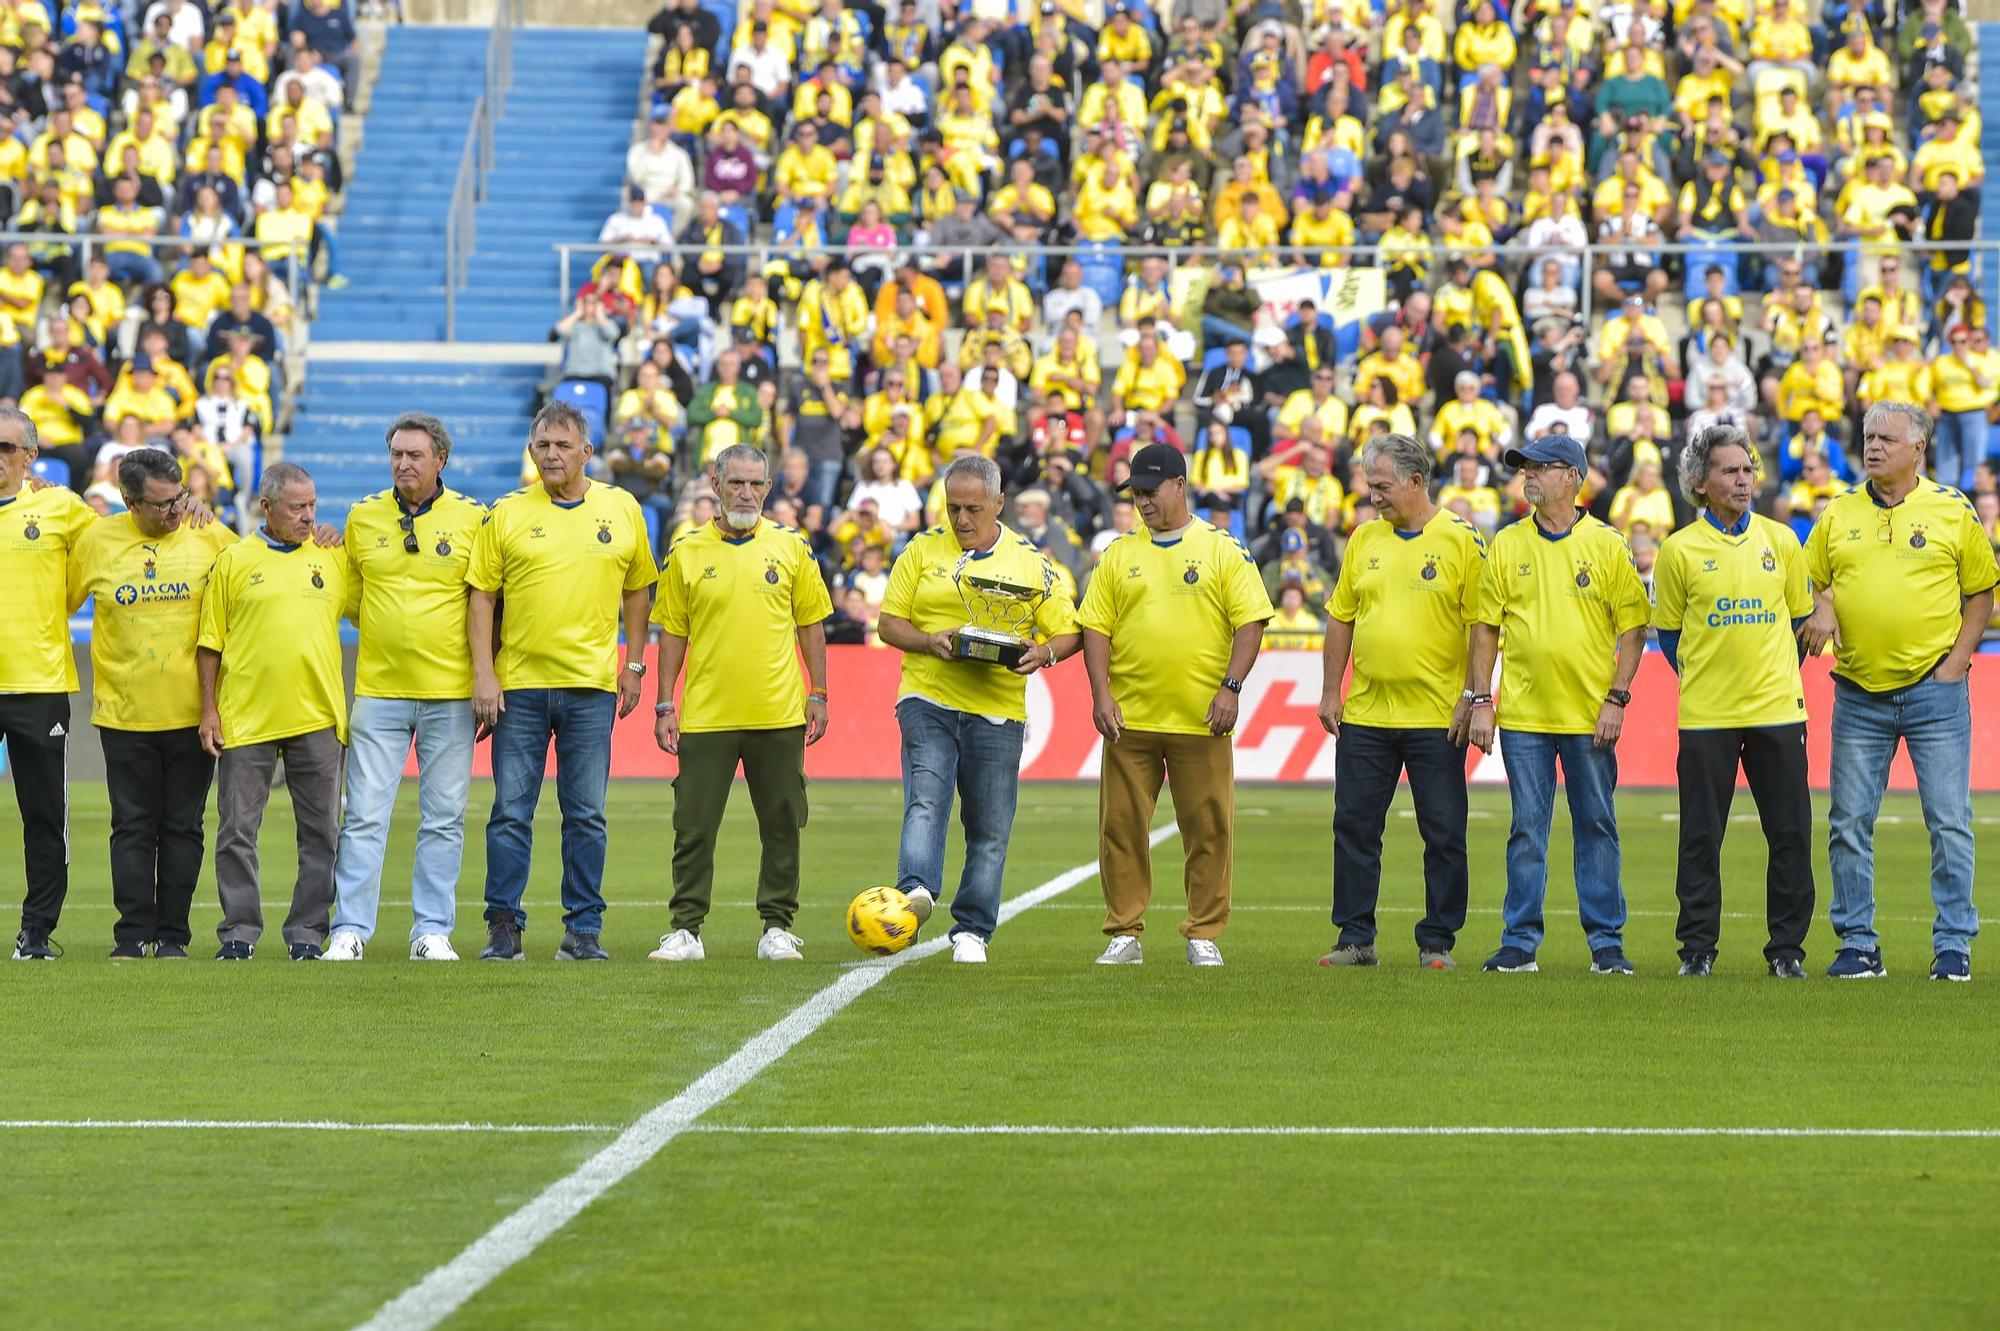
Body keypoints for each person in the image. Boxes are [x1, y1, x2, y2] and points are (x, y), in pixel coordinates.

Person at [1801, 402, 1996, 981]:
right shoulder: (1837, 513)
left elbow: (1981, 592)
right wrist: (1825, 605)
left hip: (1935, 689)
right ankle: (1858, 943)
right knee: (1847, 823)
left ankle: (1954, 944)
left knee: (1949, 820)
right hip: (1858, 690)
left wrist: (1958, 662)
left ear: (1919, 449)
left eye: (1886, 437)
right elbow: (1812, 583)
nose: (1873, 446)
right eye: (1868, 436)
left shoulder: (1952, 510)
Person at [467, 402, 657, 962]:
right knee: (509, 813)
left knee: (587, 815)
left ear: (586, 452)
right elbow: (482, 596)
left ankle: (583, 930)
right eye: (542, 446)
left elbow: (638, 591)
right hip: (520, 687)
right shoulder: (505, 512)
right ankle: (504, 927)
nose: (552, 454)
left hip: (592, 686)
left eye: (563, 445)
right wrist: (484, 672)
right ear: (531, 452)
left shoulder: (622, 509)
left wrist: (635, 664)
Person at [874, 454, 1080, 963]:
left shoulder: (1032, 563)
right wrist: (927, 640)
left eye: (973, 508)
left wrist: (1045, 652)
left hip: (997, 708)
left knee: (989, 826)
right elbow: (888, 624)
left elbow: (1071, 630)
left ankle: (972, 930)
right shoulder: (920, 551)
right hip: (928, 696)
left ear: (999, 504)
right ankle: (917, 890)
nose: (962, 519)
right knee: (926, 796)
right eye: (953, 508)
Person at [1080, 443, 1273, 967]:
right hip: (1130, 719)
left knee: (1209, 827)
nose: (1141, 502)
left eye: (1150, 491)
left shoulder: (1221, 549)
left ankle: (1203, 932)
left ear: (1180, 485)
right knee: (1119, 826)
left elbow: (1250, 621)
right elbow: (1094, 625)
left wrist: (1231, 688)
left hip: (1201, 720)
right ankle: (1124, 932)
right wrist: (1101, 694)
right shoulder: (1120, 553)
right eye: (1135, 493)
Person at [1466, 435, 1651, 976]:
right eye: (1524, 469)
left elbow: (1634, 629)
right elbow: (1485, 630)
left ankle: (1606, 944)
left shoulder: (1607, 544)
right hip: (1523, 715)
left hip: (1589, 714)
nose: (1528, 477)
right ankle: (1519, 942)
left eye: (1540, 468)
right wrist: (1482, 700)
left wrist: (1617, 698)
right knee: (1527, 827)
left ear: (1572, 476)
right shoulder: (1506, 543)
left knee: (1596, 824)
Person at [647, 445, 832, 964]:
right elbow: (673, 635)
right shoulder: (686, 551)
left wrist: (818, 692)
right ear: (715, 483)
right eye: (736, 483)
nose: (746, 493)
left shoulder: (793, 548)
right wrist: (665, 705)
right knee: (694, 826)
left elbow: (810, 624)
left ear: (769, 487)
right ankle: (686, 929)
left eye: (756, 484)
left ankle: (776, 926)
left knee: (782, 823)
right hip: (707, 715)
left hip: (779, 713)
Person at [1316, 434, 1487, 970]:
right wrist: (1329, 690)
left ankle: (1437, 942)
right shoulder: (1363, 538)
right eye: (1370, 487)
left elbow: (1483, 626)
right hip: (1366, 713)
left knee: (1443, 831)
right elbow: (1341, 617)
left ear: (1416, 482)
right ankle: (1355, 938)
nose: (1375, 497)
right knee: (1355, 827)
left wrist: (1473, 696)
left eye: (1383, 486)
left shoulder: (1462, 540)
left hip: (1437, 716)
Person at [1653, 426, 1817, 979]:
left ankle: (1787, 952)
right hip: (1707, 716)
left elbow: (1798, 623)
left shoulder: (1783, 541)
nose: (1744, 478)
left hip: (1778, 710)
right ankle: (1697, 950)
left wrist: (1766, 676)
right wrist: (1713, 677)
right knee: (1701, 836)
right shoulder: (1678, 551)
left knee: (1791, 833)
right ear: (1700, 482)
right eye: (1730, 470)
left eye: (1748, 469)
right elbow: (1673, 639)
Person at [324, 415, 487, 963]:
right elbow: (347, 600)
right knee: (364, 814)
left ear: (441, 459)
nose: (403, 464)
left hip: (451, 693)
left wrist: (487, 677)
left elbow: (488, 601)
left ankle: (431, 930)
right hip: (379, 690)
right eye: (396, 454)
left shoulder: (473, 519)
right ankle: (349, 929)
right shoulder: (363, 515)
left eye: (415, 455)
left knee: (444, 816)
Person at [66, 449, 236, 958]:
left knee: (183, 827)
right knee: (132, 827)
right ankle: (132, 934)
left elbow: (261, 574)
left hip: (194, 713)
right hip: (124, 713)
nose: (174, 512)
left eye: (179, 498)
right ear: (128, 501)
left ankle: (174, 937)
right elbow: (60, 602)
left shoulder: (211, 535)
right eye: (161, 504)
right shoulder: (97, 541)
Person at [197, 463, 350, 961]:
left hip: (317, 717)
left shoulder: (333, 559)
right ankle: (239, 931)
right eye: (297, 507)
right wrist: (208, 711)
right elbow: (209, 645)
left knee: (323, 833)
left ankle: (307, 933)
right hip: (246, 718)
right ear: (266, 508)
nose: (309, 516)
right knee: (237, 831)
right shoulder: (235, 561)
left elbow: (377, 607)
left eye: (313, 505)